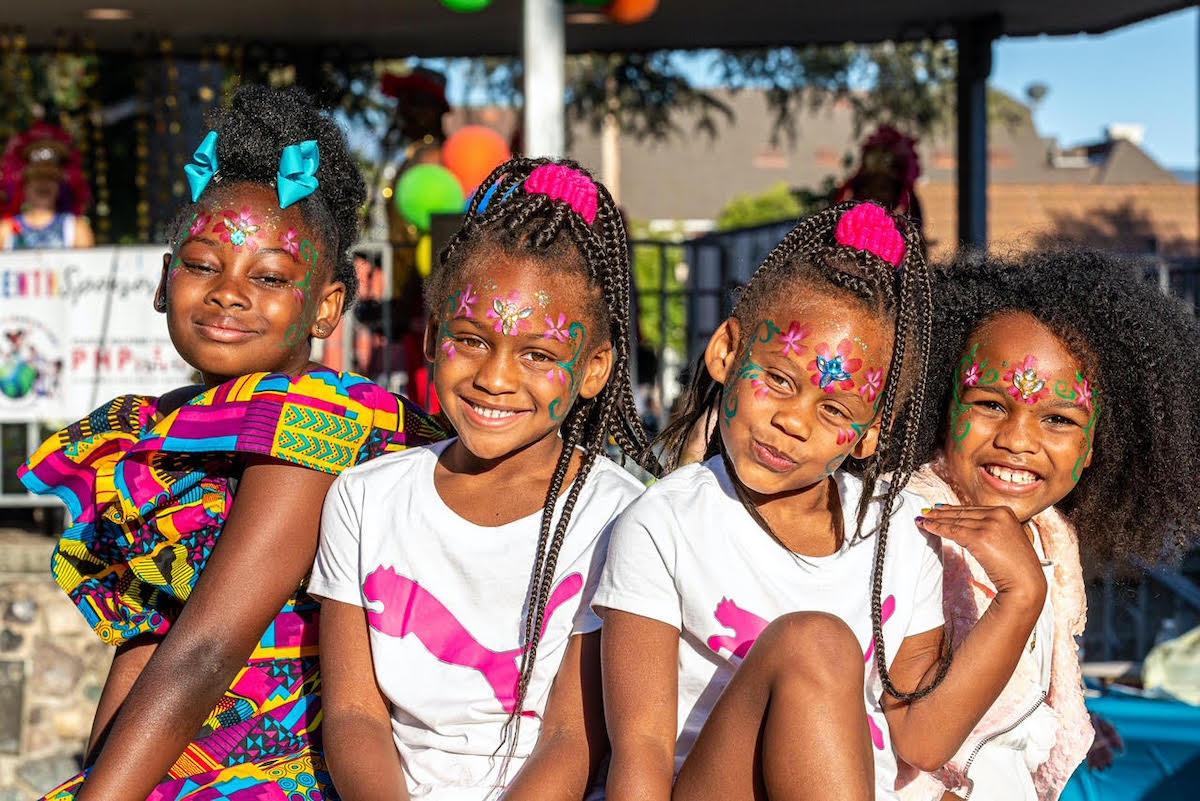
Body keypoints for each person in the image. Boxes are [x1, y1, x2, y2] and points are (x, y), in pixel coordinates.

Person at [18, 85, 444, 801]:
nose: (229, 292)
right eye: (203, 263)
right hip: (179, 766)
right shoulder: (165, 432)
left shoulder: (311, 420)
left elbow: (207, 647)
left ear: (326, 306)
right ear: (163, 280)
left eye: (271, 276)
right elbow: (149, 641)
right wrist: (96, 778)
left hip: (275, 775)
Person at [594, 201, 1050, 801]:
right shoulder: (665, 523)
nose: (792, 420)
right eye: (779, 379)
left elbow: (921, 741)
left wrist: (1023, 597)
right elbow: (642, 753)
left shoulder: (901, 534)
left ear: (871, 431)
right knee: (816, 642)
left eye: (835, 409)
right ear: (727, 352)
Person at [310, 157, 659, 800]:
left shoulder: (621, 517)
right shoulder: (364, 499)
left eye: (538, 354)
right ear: (433, 335)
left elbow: (572, 738)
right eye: (471, 340)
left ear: (593, 368)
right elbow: (356, 715)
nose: (494, 379)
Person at [896, 249, 1200, 801]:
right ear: (943, 403)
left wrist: (1055, 718)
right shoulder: (912, 530)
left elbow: (1014, 695)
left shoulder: (1050, 538)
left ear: (1096, 448)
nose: (1017, 440)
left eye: (1059, 419)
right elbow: (915, 746)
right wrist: (1022, 592)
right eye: (989, 403)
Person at [0, 121, 95, 249]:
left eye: (51, 178)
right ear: (24, 186)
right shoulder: (6, 230)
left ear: (59, 186)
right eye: (37, 178)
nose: (43, 184)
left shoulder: (76, 228)